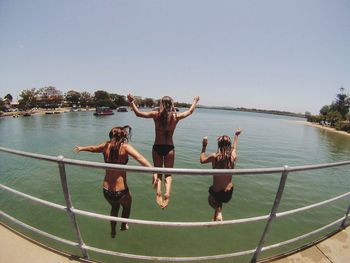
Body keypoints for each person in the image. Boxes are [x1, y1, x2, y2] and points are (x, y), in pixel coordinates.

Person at [73, 125, 155, 238]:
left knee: (114, 207)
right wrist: (153, 171)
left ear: (111, 136)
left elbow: (92, 148)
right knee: (127, 207)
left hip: (106, 190)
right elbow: (139, 157)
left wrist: (81, 148)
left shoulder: (105, 146)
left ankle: (113, 231)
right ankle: (123, 225)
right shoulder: (125, 147)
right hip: (121, 191)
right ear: (123, 137)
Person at [127, 94, 200, 209]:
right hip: (169, 148)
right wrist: (195, 101)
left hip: (157, 147)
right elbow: (190, 111)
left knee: (158, 172)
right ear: (172, 104)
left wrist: (131, 102)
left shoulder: (156, 115)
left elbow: (138, 114)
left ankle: (158, 192)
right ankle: (167, 193)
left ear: (161, 104)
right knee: (168, 173)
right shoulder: (176, 116)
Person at [200, 128, 242, 221]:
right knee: (221, 194)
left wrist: (204, 146)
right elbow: (234, 148)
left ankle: (218, 211)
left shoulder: (215, 156)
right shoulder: (233, 156)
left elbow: (202, 160)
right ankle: (215, 218)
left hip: (216, 194)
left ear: (218, 145)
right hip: (228, 195)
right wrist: (236, 135)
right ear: (229, 145)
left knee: (211, 199)